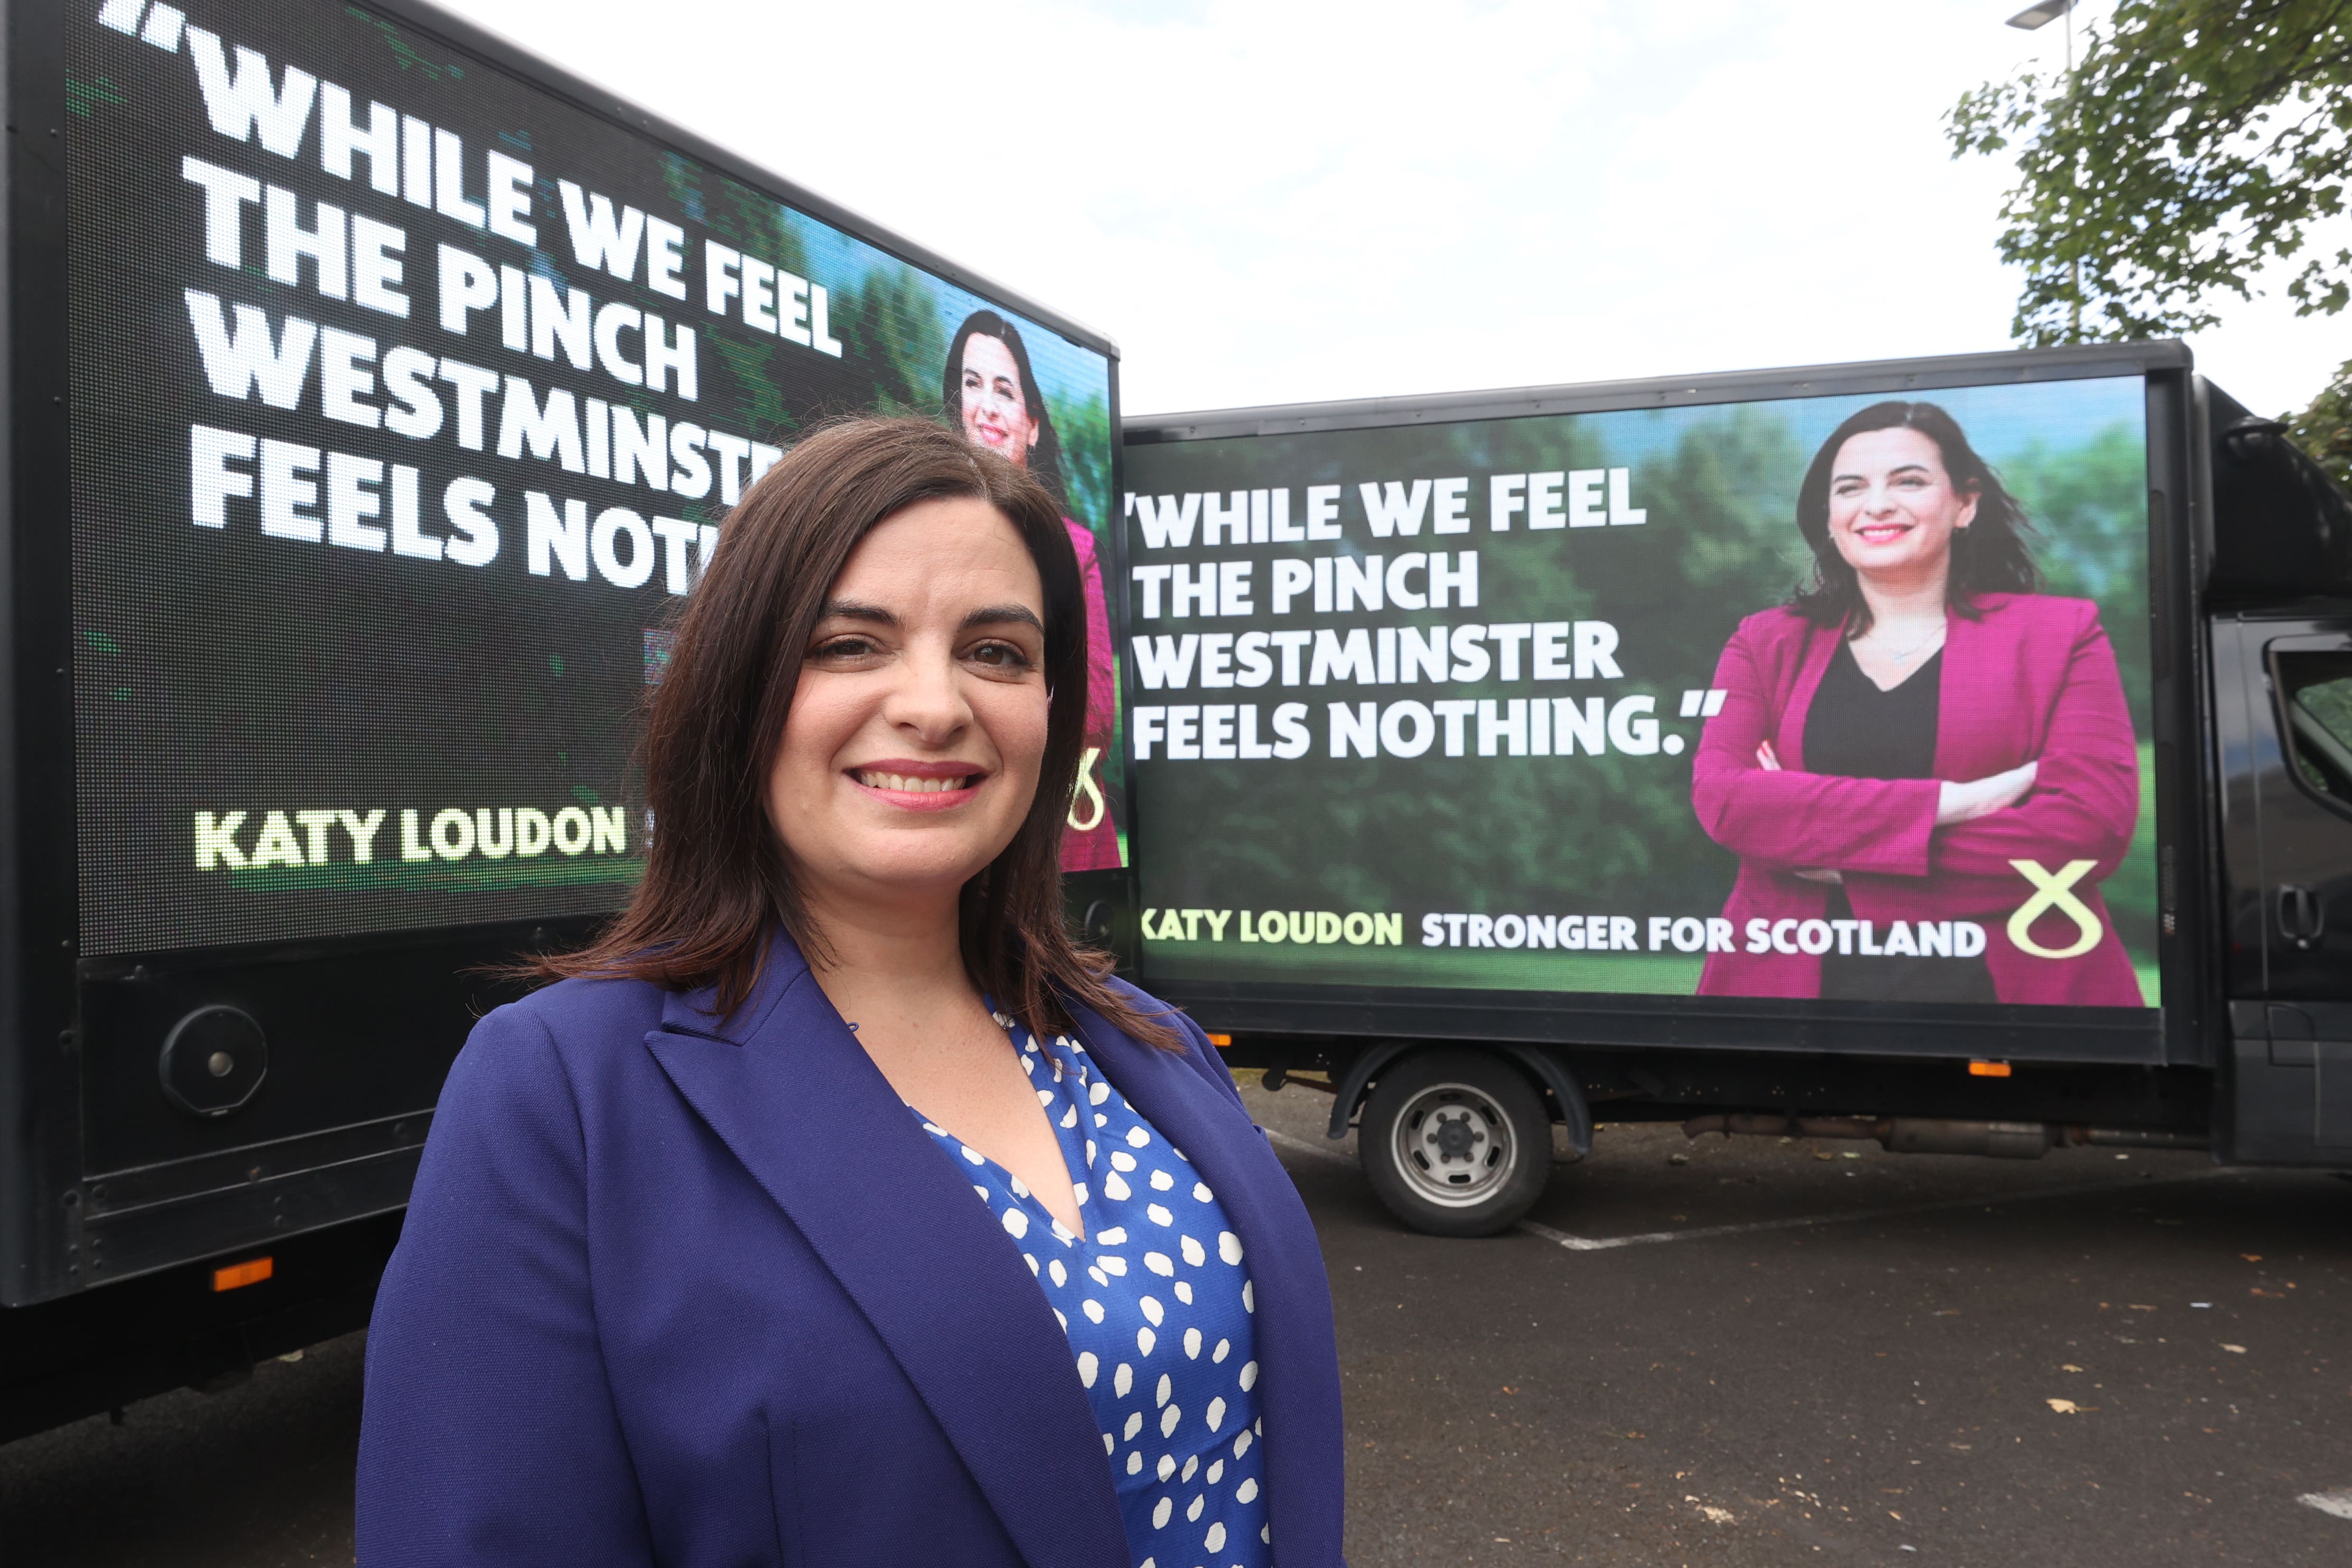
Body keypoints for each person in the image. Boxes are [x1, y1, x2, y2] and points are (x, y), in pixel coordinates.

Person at [356, 419, 1346, 1567]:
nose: (935, 703)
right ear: (739, 688)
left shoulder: (1152, 1046)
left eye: (995, 652)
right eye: (848, 643)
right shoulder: (564, 1094)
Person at [1690, 400, 2144, 1006]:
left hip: (2018, 1006)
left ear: (1966, 502)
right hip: (1788, 1002)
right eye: (1850, 487)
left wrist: (1838, 859)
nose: (1876, 504)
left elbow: (2085, 833)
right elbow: (1727, 802)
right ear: (1829, 517)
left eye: (1908, 481)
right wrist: (1954, 805)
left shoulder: (2060, 635)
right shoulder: (1765, 641)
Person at [944, 308, 1122, 870]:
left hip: (1060, 844)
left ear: (1033, 423)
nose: (987, 406)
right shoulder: (912, 539)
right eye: (971, 384)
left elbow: (1091, 716)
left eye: (1005, 390)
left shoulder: (1074, 550)